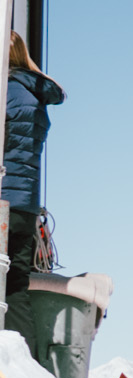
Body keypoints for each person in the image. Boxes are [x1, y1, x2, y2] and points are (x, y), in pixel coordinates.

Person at [4, 30, 62, 309]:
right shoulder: (35, 96)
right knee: (16, 290)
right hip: (26, 207)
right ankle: (23, 353)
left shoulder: (5, 91)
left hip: (3, 199)